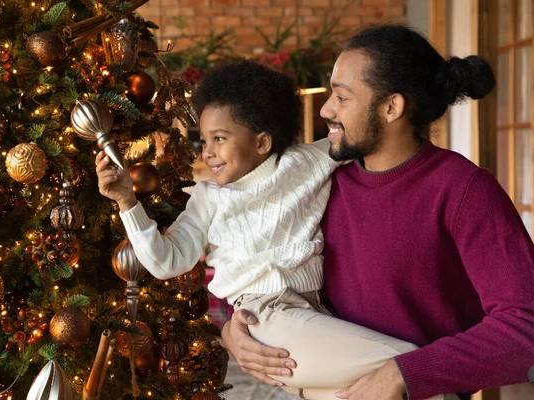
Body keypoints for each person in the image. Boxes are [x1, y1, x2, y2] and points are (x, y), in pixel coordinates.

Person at [95, 60, 453, 399]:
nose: (208, 152)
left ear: (263, 143)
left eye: (219, 138)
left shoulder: (304, 163)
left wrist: (421, 98)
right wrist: (128, 203)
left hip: (316, 316)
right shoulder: (208, 199)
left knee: (384, 388)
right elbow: (165, 262)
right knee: (416, 369)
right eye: (204, 140)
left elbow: (364, 136)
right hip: (266, 319)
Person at [221, 25, 534, 400]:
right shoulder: (320, 184)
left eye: (342, 97)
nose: (326, 109)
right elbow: (263, 271)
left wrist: (401, 373)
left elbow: (525, 327)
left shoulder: (464, 190)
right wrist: (233, 333)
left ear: (391, 107)